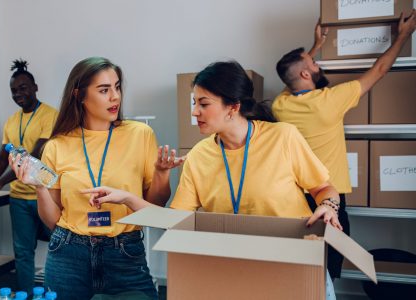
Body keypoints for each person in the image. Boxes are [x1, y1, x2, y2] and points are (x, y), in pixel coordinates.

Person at [83, 61, 342, 299]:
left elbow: (323, 188)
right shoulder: (199, 155)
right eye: (194, 103)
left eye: (204, 104)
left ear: (234, 106)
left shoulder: (283, 137)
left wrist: (328, 207)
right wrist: (127, 198)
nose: (195, 112)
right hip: (233, 270)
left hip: (293, 264)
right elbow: (174, 221)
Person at [11, 57, 183, 300]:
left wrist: (162, 174)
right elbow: (53, 221)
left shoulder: (139, 135)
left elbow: (155, 207)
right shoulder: (57, 146)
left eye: (117, 87)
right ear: (79, 95)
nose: (115, 96)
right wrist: (39, 186)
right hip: (68, 253)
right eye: (104, 90)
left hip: (124, 252)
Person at [272, 12, 416, 279]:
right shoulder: (330, 101)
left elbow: (291, 78)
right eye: (314, 62)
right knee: (329, 261)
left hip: (294, 197)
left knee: (300, 263)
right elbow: (380, 70)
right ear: (306, 72)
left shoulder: (281, 105)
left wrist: (314, 47)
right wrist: (403, 35)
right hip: (328, 198)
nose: (318, 64)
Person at [0, 59, 58, 294]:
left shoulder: (50, 115)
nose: (18, 93)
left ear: (35, 87)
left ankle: (51, 294)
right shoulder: (11, 122)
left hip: (46, 194)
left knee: (59, 246)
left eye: (23, 88)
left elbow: (34, 156)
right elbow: (2, 158)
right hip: (19, 199)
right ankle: (27, 295)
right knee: (23, 251)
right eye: (14, 90)